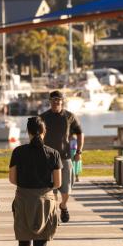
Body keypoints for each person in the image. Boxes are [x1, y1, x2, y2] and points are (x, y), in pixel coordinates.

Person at [9, 117, 62, 246]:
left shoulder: (18, 152)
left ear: (28, 132)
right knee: (41, 244)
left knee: (24, 243)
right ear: (44, 132)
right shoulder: (53, 153)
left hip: (24, 198)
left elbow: (12, 179)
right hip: (45, 201)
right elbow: (58, 183)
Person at [39, 90, 83, 223]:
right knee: (51, 188)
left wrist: (79, 152)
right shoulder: (43, 117)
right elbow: (36, 136)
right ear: (50, 102)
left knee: (66, 188)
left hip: (65, 157)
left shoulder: (70, 117)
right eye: (53, 100)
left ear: (62, 101)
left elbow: (80, 133)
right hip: (47, 159)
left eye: (58, 100)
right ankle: (53, 213)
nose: (56, 102)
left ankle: (63, 206)